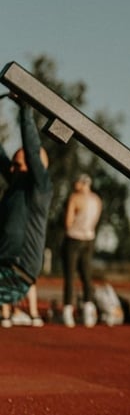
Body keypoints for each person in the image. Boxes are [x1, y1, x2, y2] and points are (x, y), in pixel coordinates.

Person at [0, 102, 54, 327]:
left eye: (17, 165)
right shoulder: (15, 184)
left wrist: (24, 109)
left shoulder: (39, 187)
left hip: (16, 271)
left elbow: (32, 150)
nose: (11, 169)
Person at [61, 173, 102, 328]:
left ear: (83, 183)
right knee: (87, 276)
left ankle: (67, 312)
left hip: (73, 238)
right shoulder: (97, 200)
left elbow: (67, 222)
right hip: (89, 239)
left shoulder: (74, 198)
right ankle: (88, 312)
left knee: (70, 276)